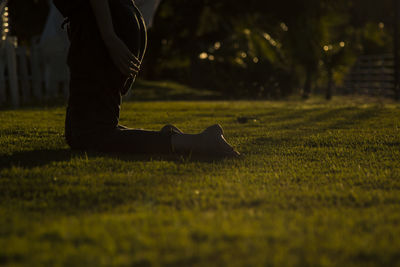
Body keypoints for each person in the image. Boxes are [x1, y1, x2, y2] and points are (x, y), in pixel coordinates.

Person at [56, 0, 240, 157]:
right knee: (78, 132)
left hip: (103, 29)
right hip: (106, 24)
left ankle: (198, 142)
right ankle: (172, 137)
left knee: (93, 133)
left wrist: (109, 37)